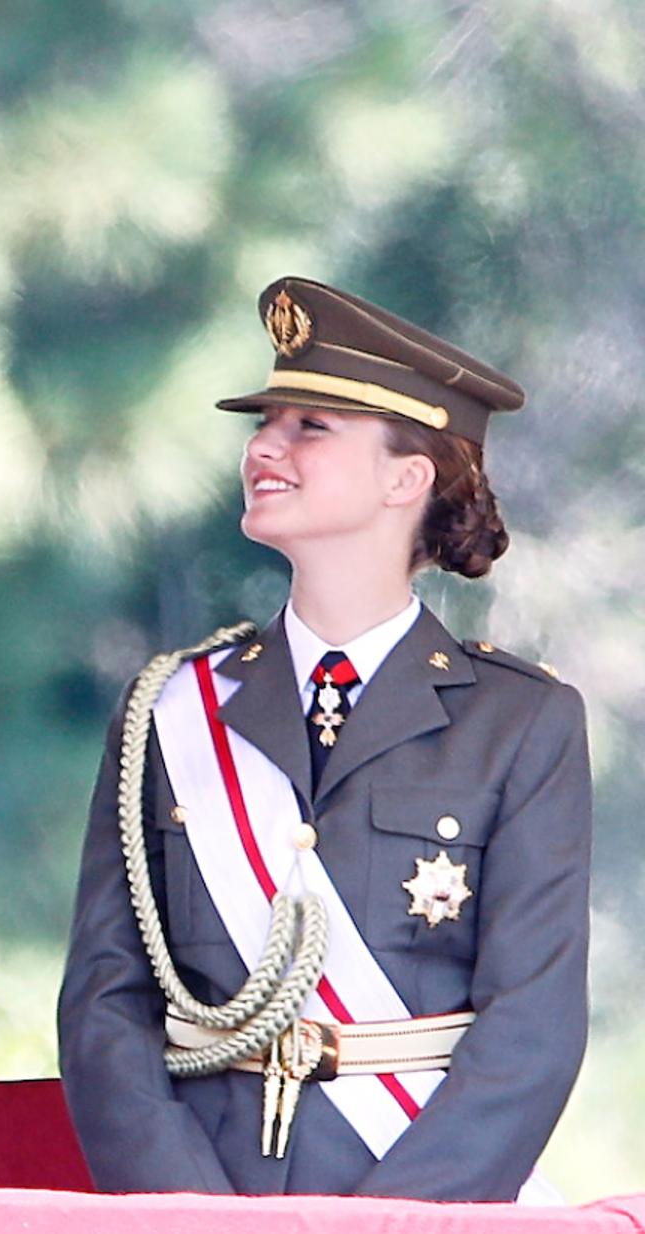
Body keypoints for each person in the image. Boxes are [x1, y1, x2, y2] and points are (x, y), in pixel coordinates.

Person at [58, 276, 591, 1202]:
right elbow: (105, 1007)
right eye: (267, 422)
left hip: (416, 1196)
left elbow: (533, 1029)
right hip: (197, 1196)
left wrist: (392, 1228)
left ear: (406, 476)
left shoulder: (522, 723)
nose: (264, 444)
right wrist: (190, 1217)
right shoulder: (169, 708)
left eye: (312, 426)